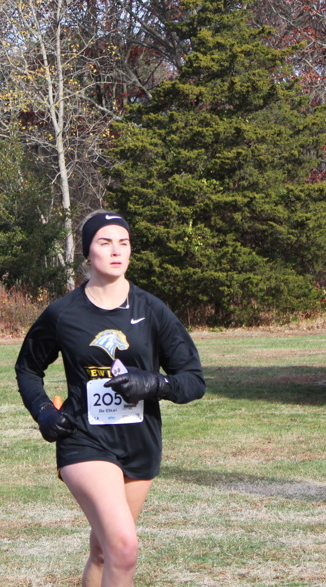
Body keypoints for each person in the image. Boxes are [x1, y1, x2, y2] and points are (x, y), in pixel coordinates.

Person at [15, 210, 205, 586]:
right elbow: (27, 369)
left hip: (140, 443)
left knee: (104, 551)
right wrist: (43, 411)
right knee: (124, 547)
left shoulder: (152, 310)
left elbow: (193, 381)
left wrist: (154, 384)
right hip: (84, 439)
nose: (116, 251)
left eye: (124, 242)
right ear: (88, 253)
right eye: (105, 242)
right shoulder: (63, 314)